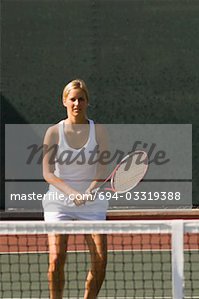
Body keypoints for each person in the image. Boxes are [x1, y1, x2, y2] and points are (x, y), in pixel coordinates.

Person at [42, 79, 109, 298]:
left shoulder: (98, 131)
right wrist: (71, 193)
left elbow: (102, 170)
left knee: (100, 260)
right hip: (59, 201)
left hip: (92, 202)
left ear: (87, 101)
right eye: (72, 99)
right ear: (64, 101)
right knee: (56, 259)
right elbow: (48, 173)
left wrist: (90, 191)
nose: (77, 103)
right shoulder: (53, 132)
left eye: (81, 99)